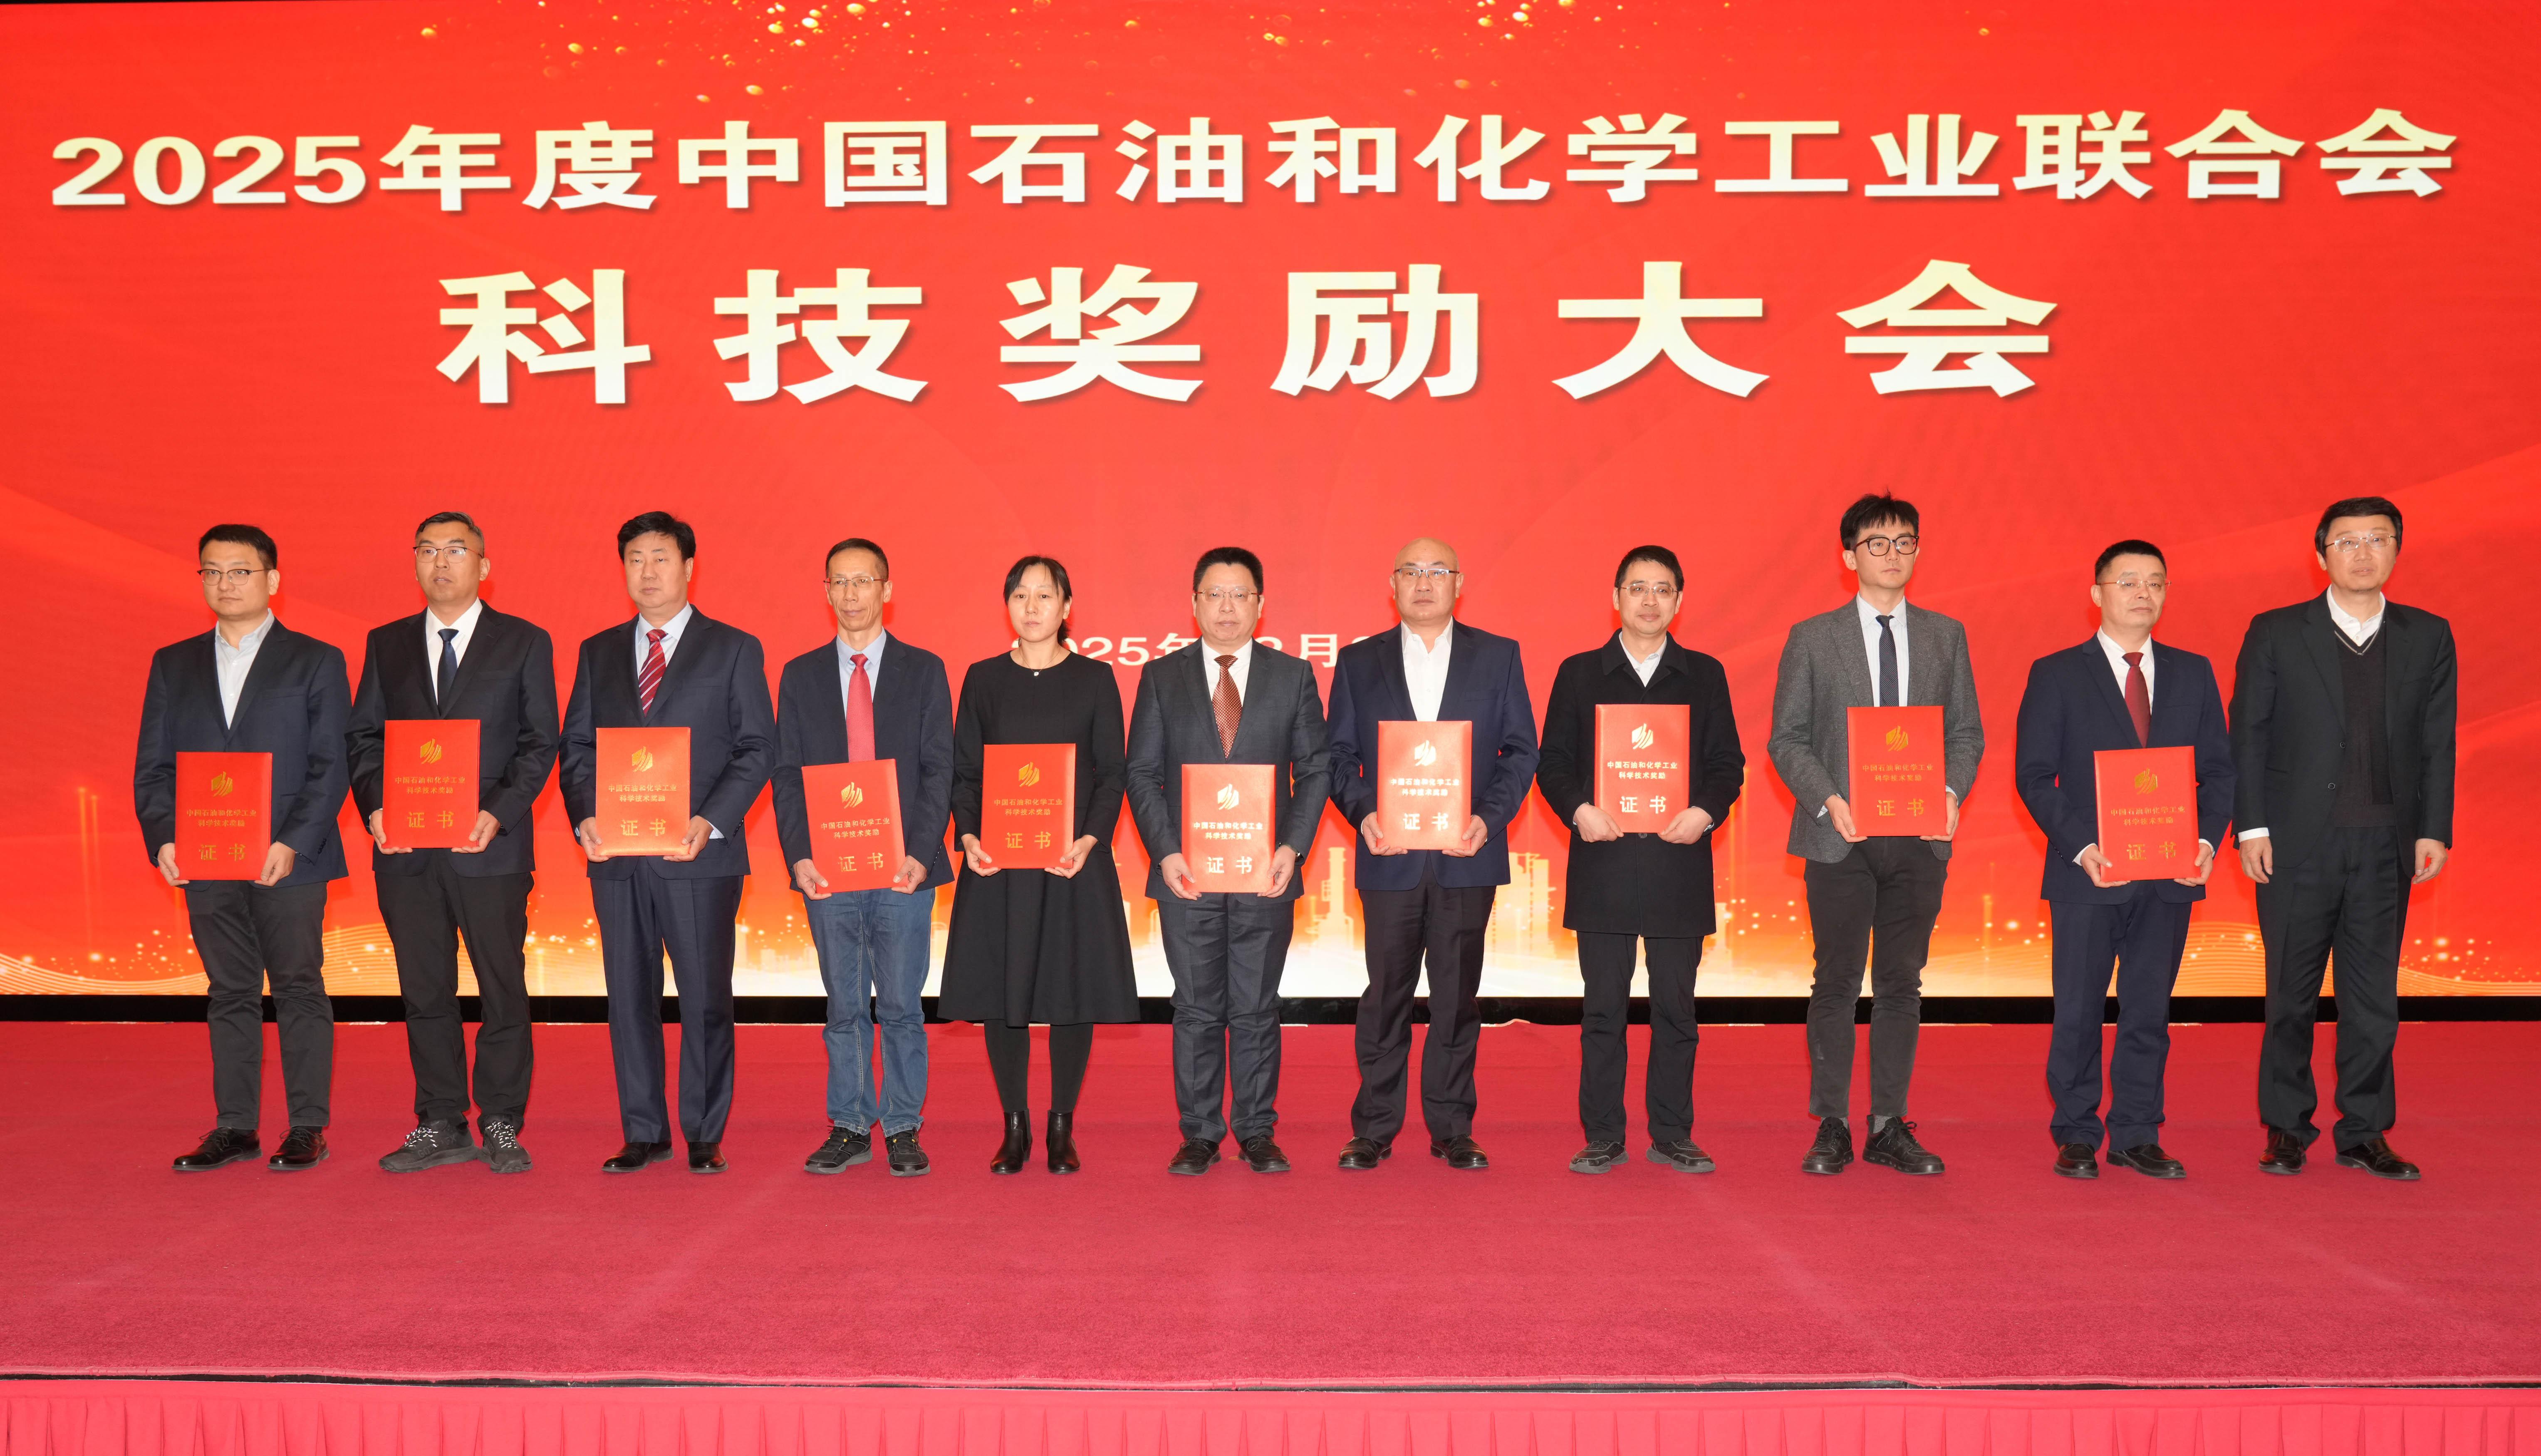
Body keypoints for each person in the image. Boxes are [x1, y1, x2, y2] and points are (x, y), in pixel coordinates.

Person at [2232, 497, 2455, 1180]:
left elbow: (2437, 740)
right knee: (2289, 995)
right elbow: (2249, 733)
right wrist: (2252, 826)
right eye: (2348, 541)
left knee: (2373, 999)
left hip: (2386, 844)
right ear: (2321, 554)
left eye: (2377, 539)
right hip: (2297, 843)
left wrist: (2434, 828)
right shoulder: (2277, 631)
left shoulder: (2428, 634)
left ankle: (2365, 1130)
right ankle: (2287, 1126)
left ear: (2397, 549)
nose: (2363, 553)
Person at [1768, 494, 1983, 1177]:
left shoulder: (1947, 635)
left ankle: (1889, 1124)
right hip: (1840, 835)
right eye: (1877, 543)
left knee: (1901, 982)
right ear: (1849, 556)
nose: (1893, 554)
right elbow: (1787, 738)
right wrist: (1829, 799)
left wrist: (1950, 793)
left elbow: (1966, 733)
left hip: (1919, 839)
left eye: (1905, 542)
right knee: (1835, 980)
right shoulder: (1813, 636)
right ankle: (1831, 1123)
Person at [560, 512, 774, 1175]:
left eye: (660, 558)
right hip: (618, 858)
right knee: (628, 998)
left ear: (688, 566)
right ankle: (644, 1129)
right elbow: (578, 747)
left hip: (698, 856)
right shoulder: (598, 651)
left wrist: (710, 820)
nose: (647, 572)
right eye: (634, 559)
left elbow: (757, 747)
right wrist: (585, 815)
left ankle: (704, 1130)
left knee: (705, 997)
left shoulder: (733, 648)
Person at [347, 511, 560, 1174]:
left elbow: (540, 742)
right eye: (428, 550)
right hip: (406, 851)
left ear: (484, 567)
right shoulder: (387, 643)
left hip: (487, 847)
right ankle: (441, 1117)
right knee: (424, 989)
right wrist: (376, 805)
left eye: (456, 550)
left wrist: (499, 812)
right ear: (414, 562)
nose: (441, 562)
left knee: (502, 986)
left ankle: (501, 1117)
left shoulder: (523, 641)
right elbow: (364, 738)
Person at [2013, 540, 2233, 1180]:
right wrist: (2084, 847)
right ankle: (2077, 1132)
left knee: (2149, 1012)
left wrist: (2205, 843)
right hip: (2087, 875)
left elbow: (2219, 772)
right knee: (2079, 1010)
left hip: (2169, 875)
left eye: (2156, 582)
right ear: (2097, 594)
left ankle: (2137, 1132)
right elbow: (2035, 776)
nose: (2144, 593)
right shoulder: (2057, 672)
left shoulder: (2193, 672)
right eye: (2128, 581)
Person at [136, 525, 350, 1173]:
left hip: (290, 858)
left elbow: (332, 763)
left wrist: (294, 840)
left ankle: (307, 1125)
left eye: (240, 571)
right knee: (229, 988)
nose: (224, 583)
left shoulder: (316, 659)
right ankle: (235, 1126)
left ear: (272, 580)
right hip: (205, 856)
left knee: (298, 986)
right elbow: (154, 767)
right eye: (212, 571)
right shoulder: (173, 663)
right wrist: (164, 837)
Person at [1325, 537, 1540, 1172]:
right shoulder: (1359, 661)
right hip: (1389, 855)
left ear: (1458, 583)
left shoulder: (1498, 656)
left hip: (1465, 854)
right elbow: (1337, 756)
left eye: (1437, 571)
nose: (1424, 582)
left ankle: (1452, 1126)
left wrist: (1486, 819)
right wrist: (1365, 812)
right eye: (1411, 571)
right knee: (1384, 995)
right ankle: (1374, 1127)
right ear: (1392, 584)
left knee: (1456, 996)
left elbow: (1521, 751)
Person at [1535, 545, 1744, 1175]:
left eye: (1662, 589)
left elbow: (1727, 765)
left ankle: (1672, 1132)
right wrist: (1579, 809)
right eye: (1637, 588)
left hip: (1679, 865)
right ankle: (1603, 1133)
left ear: (1679, 600)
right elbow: (1553, 763)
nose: (1649, 600)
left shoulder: (1704, 674)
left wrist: (1705, 812)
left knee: (1677, 1010)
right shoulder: (1580, 673)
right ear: (1616, 597)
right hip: (1603, 864)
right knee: (1603, 1009)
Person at [1124, 546, 1332, 1175]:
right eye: (1214, 594)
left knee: (1256, 1007)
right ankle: (1199, 1134)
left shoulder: (1293, 676)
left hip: (1265, 874)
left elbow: (1315, 770)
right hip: (1186, 876)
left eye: (1240, 595)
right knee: (1194, 1008)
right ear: (1194, 603)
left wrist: (1292, 847)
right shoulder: (1161, 676)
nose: (1227, 607)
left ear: (1260, 605)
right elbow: (1142, 773)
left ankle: (1257, 1131)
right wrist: (1165, 851)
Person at [941, 556, 1138, 1174]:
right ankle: (1015, 1125)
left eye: (1045, 595)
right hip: (999, 867)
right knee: (1005, 994)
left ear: (1066, 607)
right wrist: (969, 835)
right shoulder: (983, 679)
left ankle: (1060, 1126)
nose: (1032, 607)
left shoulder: (1095, 678)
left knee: (1071, 991)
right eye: (1020, 595)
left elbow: (1113, 773)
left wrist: (1090, 839)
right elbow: (965, 772)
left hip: (1071, 863)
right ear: (1007, 605)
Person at [772, 537, 954, 1178]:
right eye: (840, 582)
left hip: (904, 870)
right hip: (830, 870)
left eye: (864, 580)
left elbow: (939, 770)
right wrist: (799, 855)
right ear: (825, 592)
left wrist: (922, 853)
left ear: (887, 589)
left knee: (902, 1005)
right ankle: (850, 1123)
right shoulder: (800, 675)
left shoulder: (923, 670)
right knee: (844, 1006)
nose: (851, 594)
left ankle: (903, 1126)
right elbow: (786, 773)